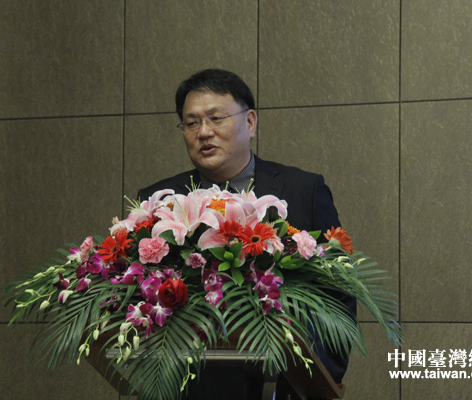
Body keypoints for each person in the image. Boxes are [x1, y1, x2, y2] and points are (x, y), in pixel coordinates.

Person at [137, 69, 356, 400]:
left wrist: (315, 376)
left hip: (283, 385)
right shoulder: (160, 201)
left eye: (216, 118)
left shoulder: (303, 191)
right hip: (188, 387)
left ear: (250, 122)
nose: (204, 132)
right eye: (191, 123)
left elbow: (339, 295)